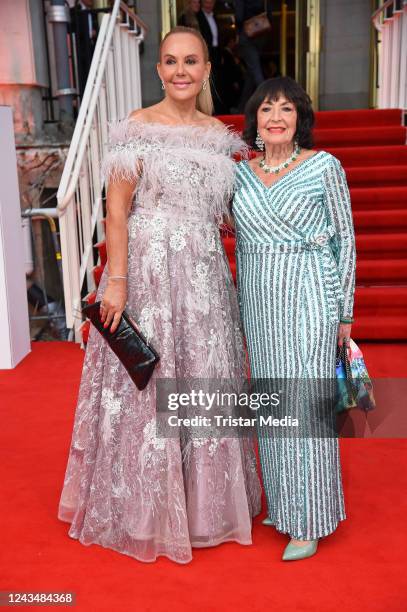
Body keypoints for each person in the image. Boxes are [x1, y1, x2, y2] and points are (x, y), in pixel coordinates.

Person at [58, 25, 261, 565]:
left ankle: (201, 507)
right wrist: (116, 280)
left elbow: (230, 215)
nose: (180, 71)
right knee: (148, 381)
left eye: (190, 61)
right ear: (158, 69)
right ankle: (144, 509)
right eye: (170, 61)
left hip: (204, 274)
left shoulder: (219, 134)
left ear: (207, 69)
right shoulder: (135, 128)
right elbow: (117, 211)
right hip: (146, 270)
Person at [232, 77, 356, 561]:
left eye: (286, 108)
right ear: (255, 121)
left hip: (310, 295)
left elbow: (345, 238)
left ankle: (309, 519)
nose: (276, 117)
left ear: (300, 118)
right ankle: (283, 503)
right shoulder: (240, 174)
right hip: (259, 303)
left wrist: (344, 309)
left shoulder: (325, 167)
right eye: (267, 110)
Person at [234, 0, 273, 111]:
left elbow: (239, 16)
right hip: (261, 34)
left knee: (255, 71)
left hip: (247, 35)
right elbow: (270, 14)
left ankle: (269, 102)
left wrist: (238, 30)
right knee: (251, 74)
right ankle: (241, 108)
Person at [196, 0, 226, 113]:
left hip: (216, 52)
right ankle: (207, 109)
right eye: (207, 2)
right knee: (207, 81)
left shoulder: (216, 17)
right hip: (206, 51)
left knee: (217, 81)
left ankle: (217, 109)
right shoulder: (198, 17)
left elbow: (219, 37)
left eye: (211, 2)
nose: (209, 4)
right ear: (202, 3)